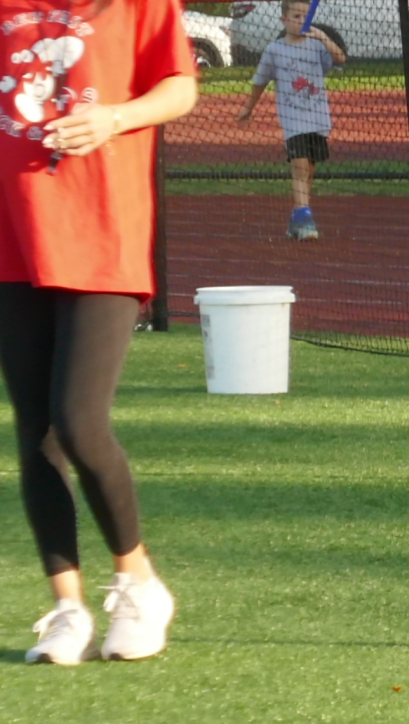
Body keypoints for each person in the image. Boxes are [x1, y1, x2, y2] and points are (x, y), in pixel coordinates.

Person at [2, 0, 197, 665]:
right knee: (36, 432)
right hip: (13, 238)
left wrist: (112, 117)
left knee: (79, 421)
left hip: (101, 234)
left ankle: (139, 582)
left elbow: (179, 86)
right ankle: (66, 609)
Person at [235, 0, 344, 242]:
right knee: (300, 167)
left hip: (317, 118)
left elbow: (340, 58)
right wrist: (247, 108)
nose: (301, 20)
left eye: (305, 16)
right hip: (293, 120)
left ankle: (298, 217)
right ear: (284, 20)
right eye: (295, 16)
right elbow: (260, 80)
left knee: (310, 169)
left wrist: (323, 36)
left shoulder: (316, 46)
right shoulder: (275, 50)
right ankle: (305, 219)